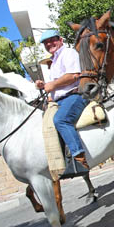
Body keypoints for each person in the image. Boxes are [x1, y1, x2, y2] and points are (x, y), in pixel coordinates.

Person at [35, 29, 89, 174]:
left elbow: (73, 76)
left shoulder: (69, 53)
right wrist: (45, 86)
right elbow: (57, 87)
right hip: (61, 100)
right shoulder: (53, 62)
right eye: (45, 43)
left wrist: (52, 85)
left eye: (52, 40)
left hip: (75, 95)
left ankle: (79, 160)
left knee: (61, 120)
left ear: (60, 40)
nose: (49, 44)